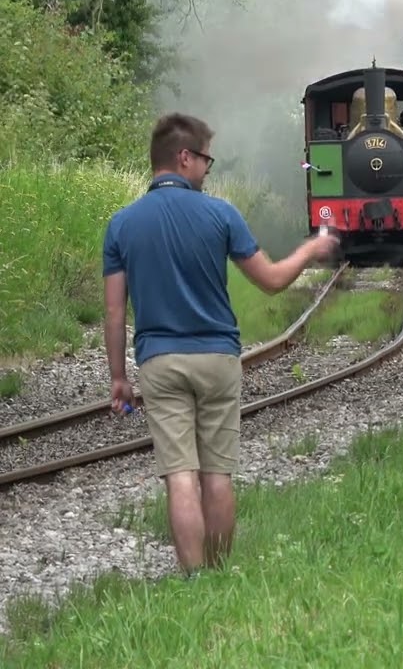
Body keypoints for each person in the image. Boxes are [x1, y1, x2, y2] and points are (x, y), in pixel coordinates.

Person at [103, 113, 339, 575]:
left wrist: (117, 378)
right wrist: (310, 250)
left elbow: (114, 312)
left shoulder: (122, 225)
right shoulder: (221, 214)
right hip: (217, 358)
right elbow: (271, 281)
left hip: (160, 362)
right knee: (216, 474)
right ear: (184, 157)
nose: (209, 169)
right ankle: (218, 575)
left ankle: (192, 581)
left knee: (179, 476)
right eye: (206, 159)